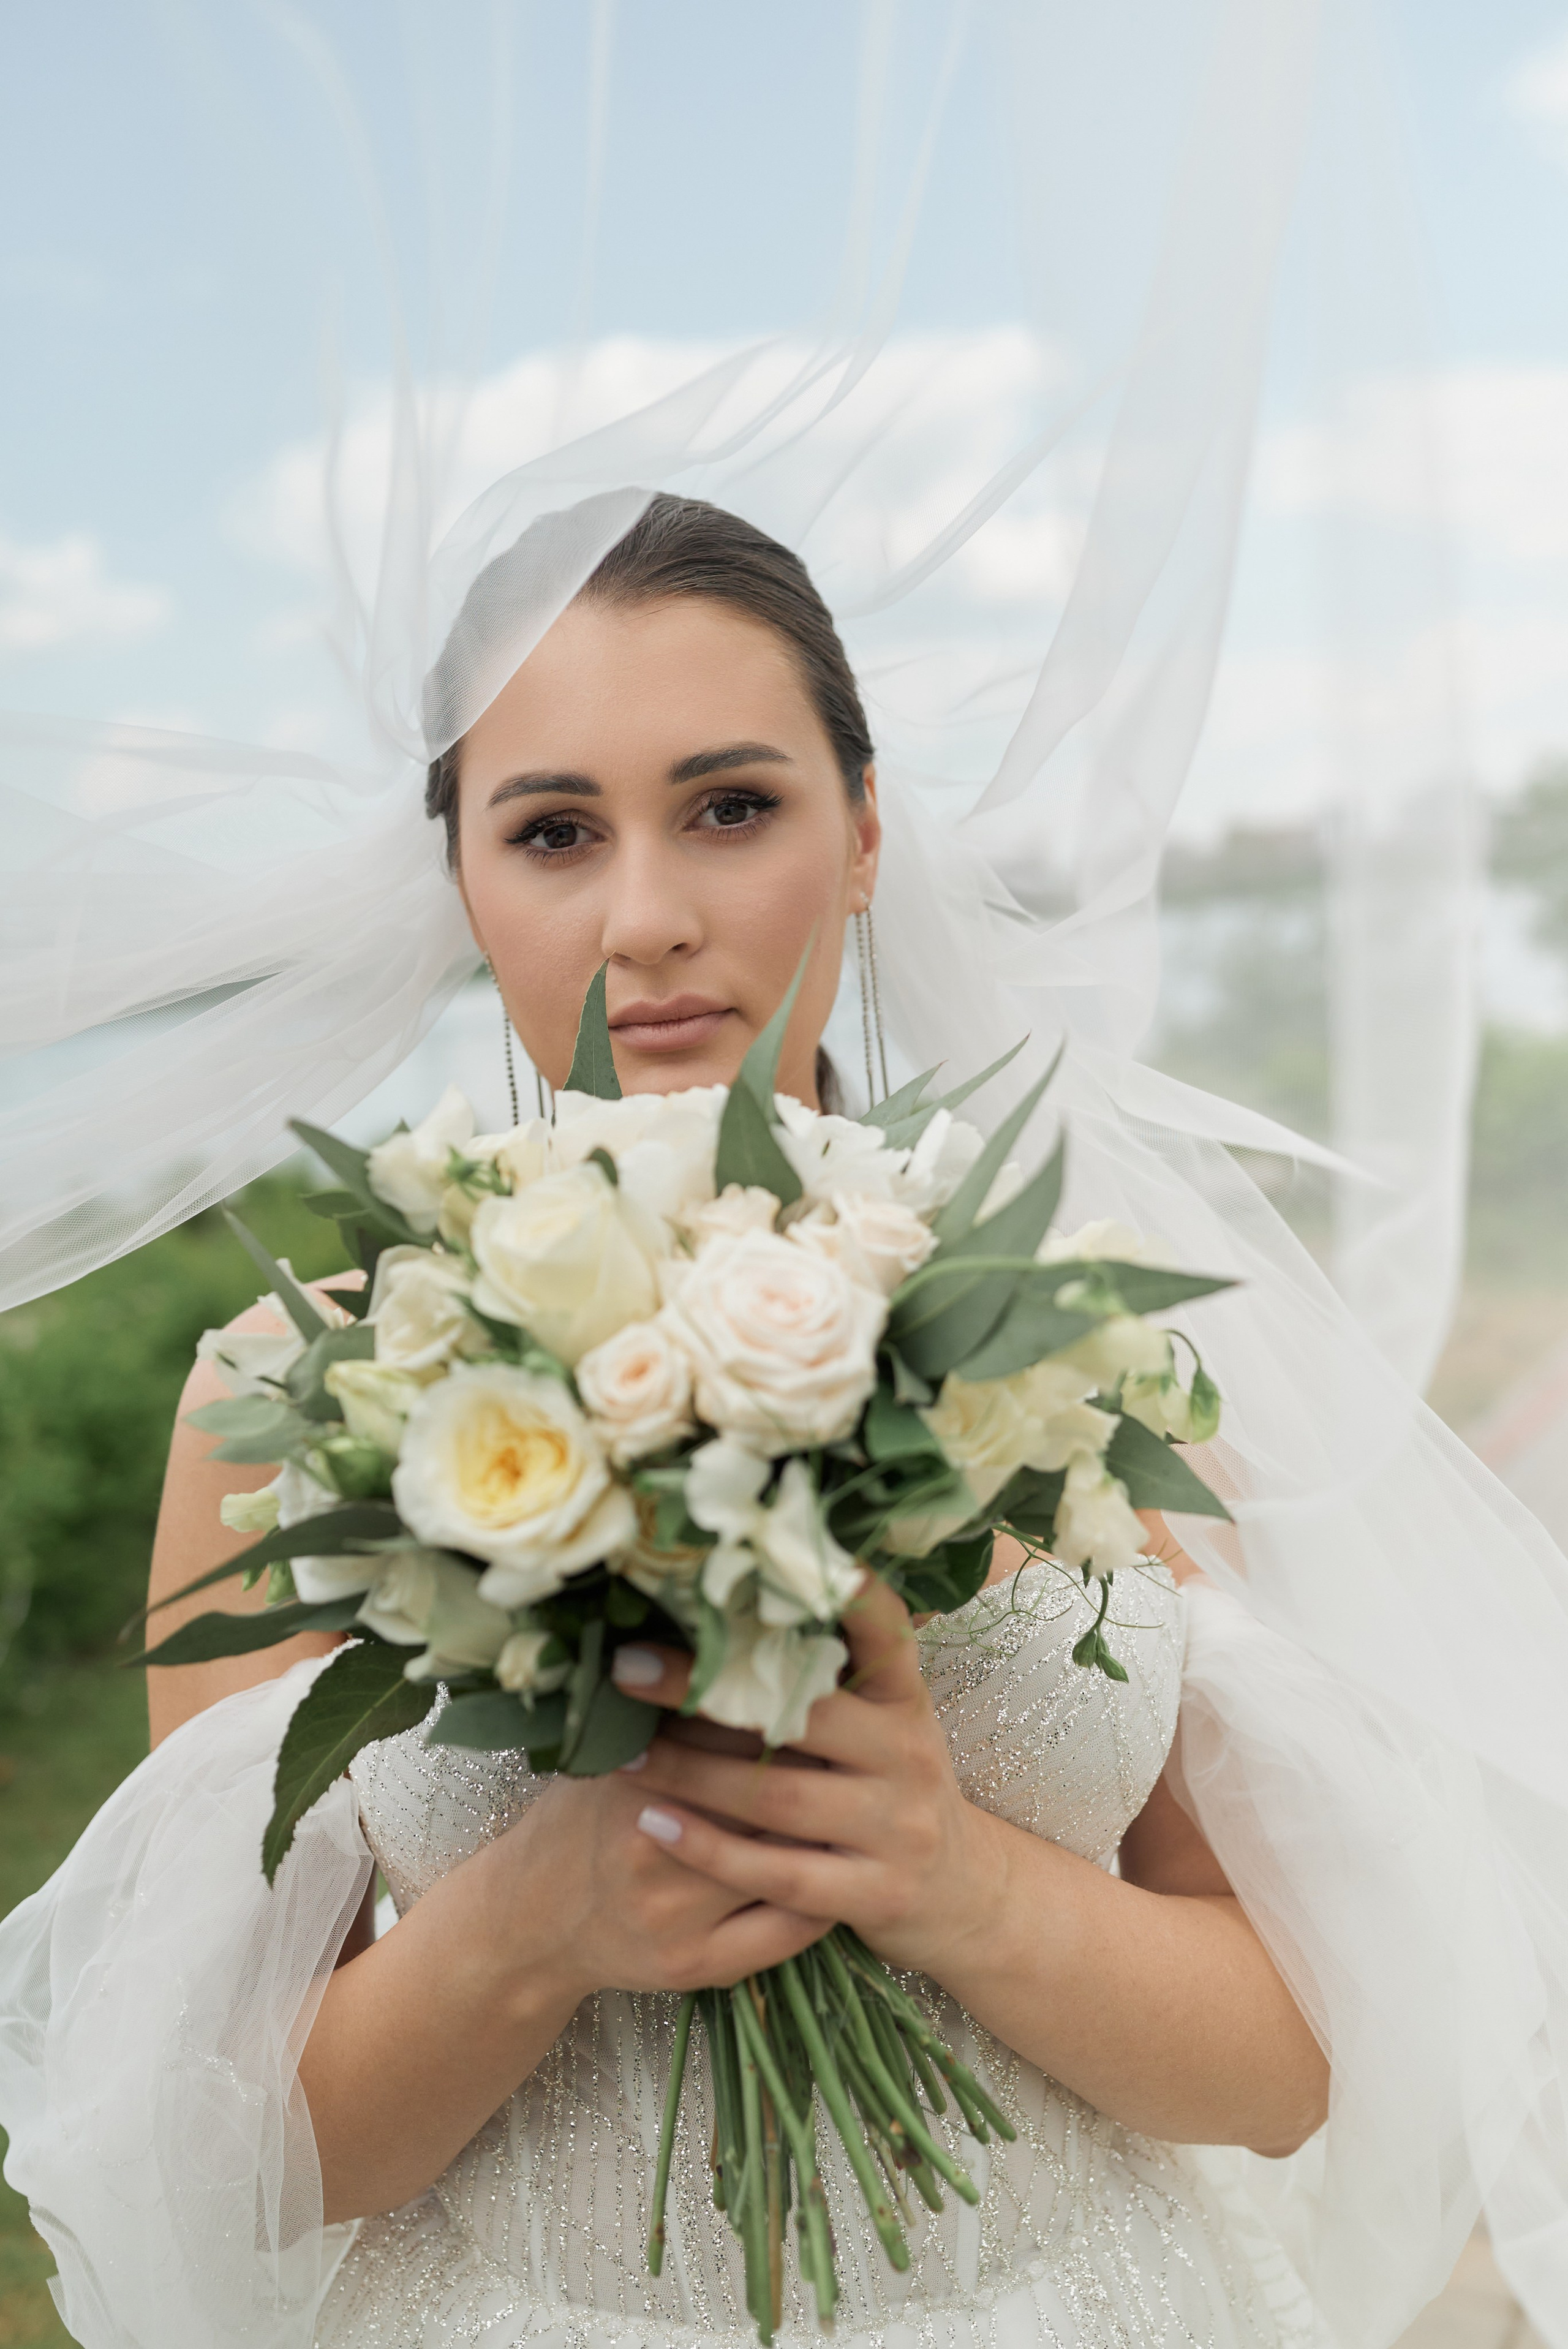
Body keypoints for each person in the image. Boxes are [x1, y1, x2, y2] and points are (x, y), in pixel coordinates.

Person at [140, 497, 1327, 2348]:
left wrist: (954, 1877)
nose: (649, 918)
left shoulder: (1069, 1340)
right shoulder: (294, 1400)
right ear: (458, 876)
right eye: (551, 832)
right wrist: (534, 1918)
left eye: (731, 806)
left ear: (862, 834)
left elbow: (1285, 2072)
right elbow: (230, 2149)